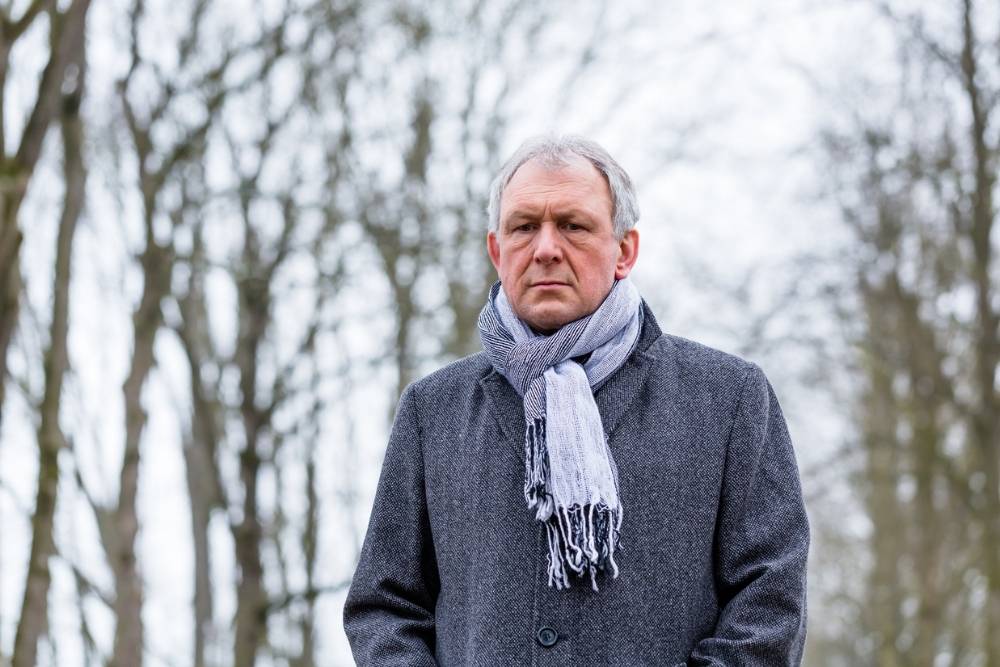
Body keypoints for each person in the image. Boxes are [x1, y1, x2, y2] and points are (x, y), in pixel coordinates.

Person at [343, 136, 809, 666]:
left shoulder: (729, 399)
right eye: (523, 227)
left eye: (573, 225)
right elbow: (384, 607)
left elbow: (770, 604)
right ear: (497, 251)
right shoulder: (433, 411)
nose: (545, 248)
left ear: (624, 250)